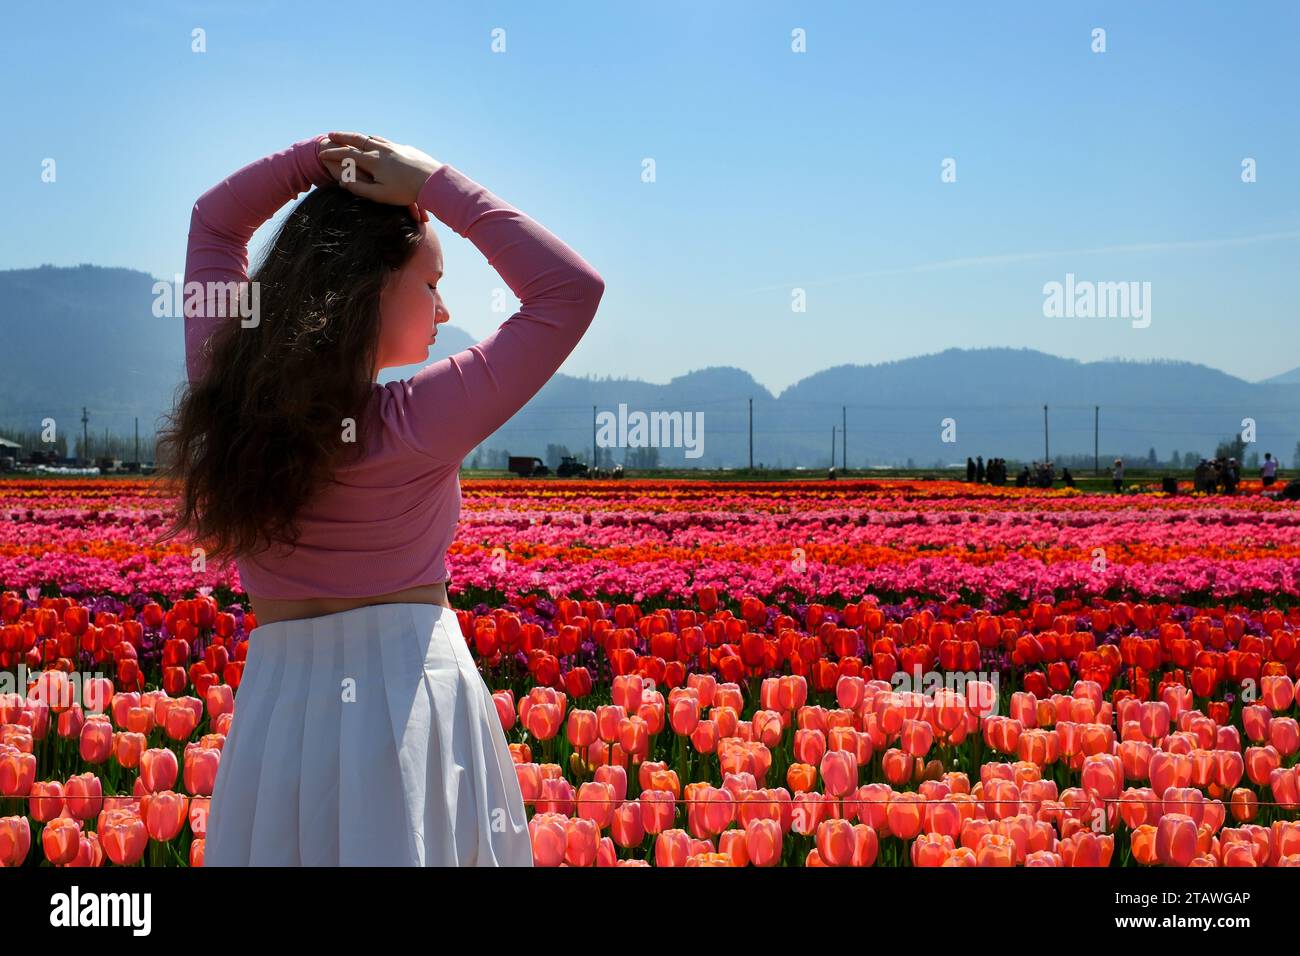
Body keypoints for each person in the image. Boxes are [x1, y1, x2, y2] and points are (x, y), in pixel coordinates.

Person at [156, 132, 605, 865]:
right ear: (366, 289)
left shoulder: (229, 400)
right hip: (410, 701)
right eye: (428, 283)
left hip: (280, 709)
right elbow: (570, 291)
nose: (442, 305)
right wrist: (434, 184)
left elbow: (214, 222)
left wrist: (315, 163)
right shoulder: (417, 420)